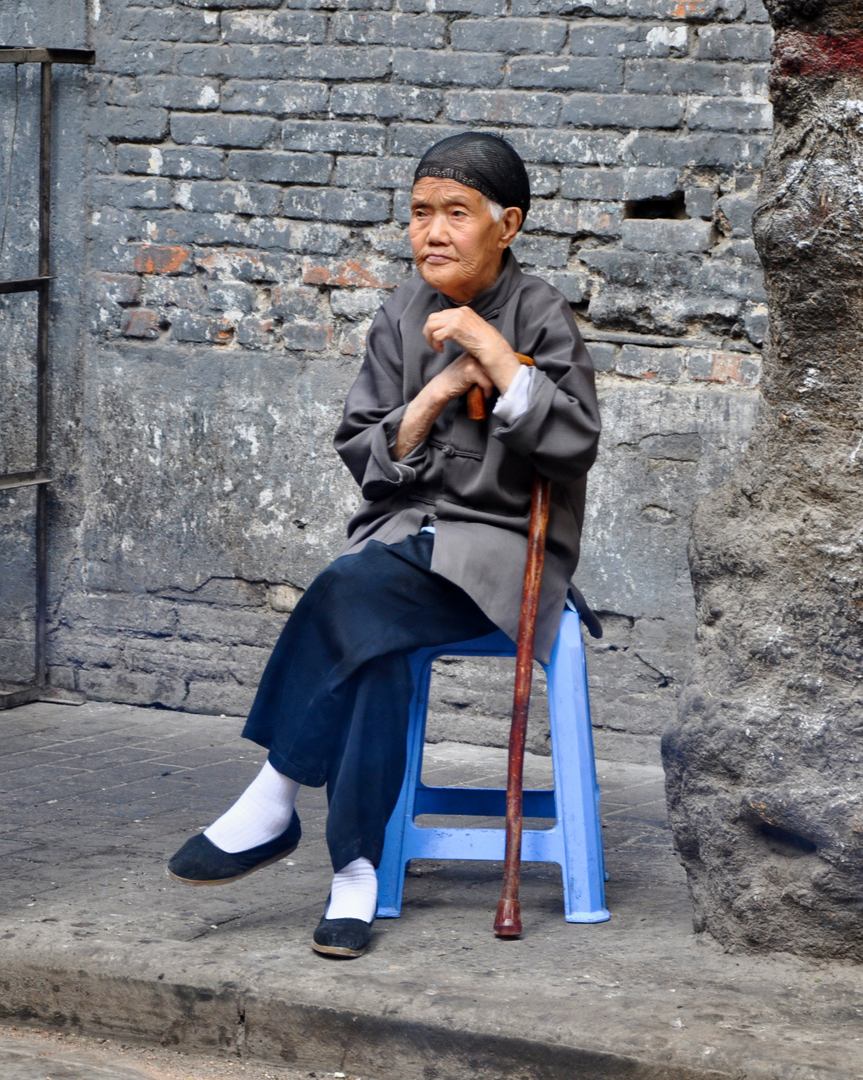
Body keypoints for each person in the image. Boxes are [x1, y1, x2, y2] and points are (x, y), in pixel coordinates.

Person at [166, 133, 602, 958]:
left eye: (455, 214)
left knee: (345, 592)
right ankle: (354, 875)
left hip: (502, 553)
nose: (432, 232)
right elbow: (364, 451)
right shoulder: (401, 311)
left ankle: (275, 796)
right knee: (366, 637)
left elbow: (573, 445)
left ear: (505, 225)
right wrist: (437, 391)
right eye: (418, 213)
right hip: (403, 542)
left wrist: (500, 360)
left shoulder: (540, 311)